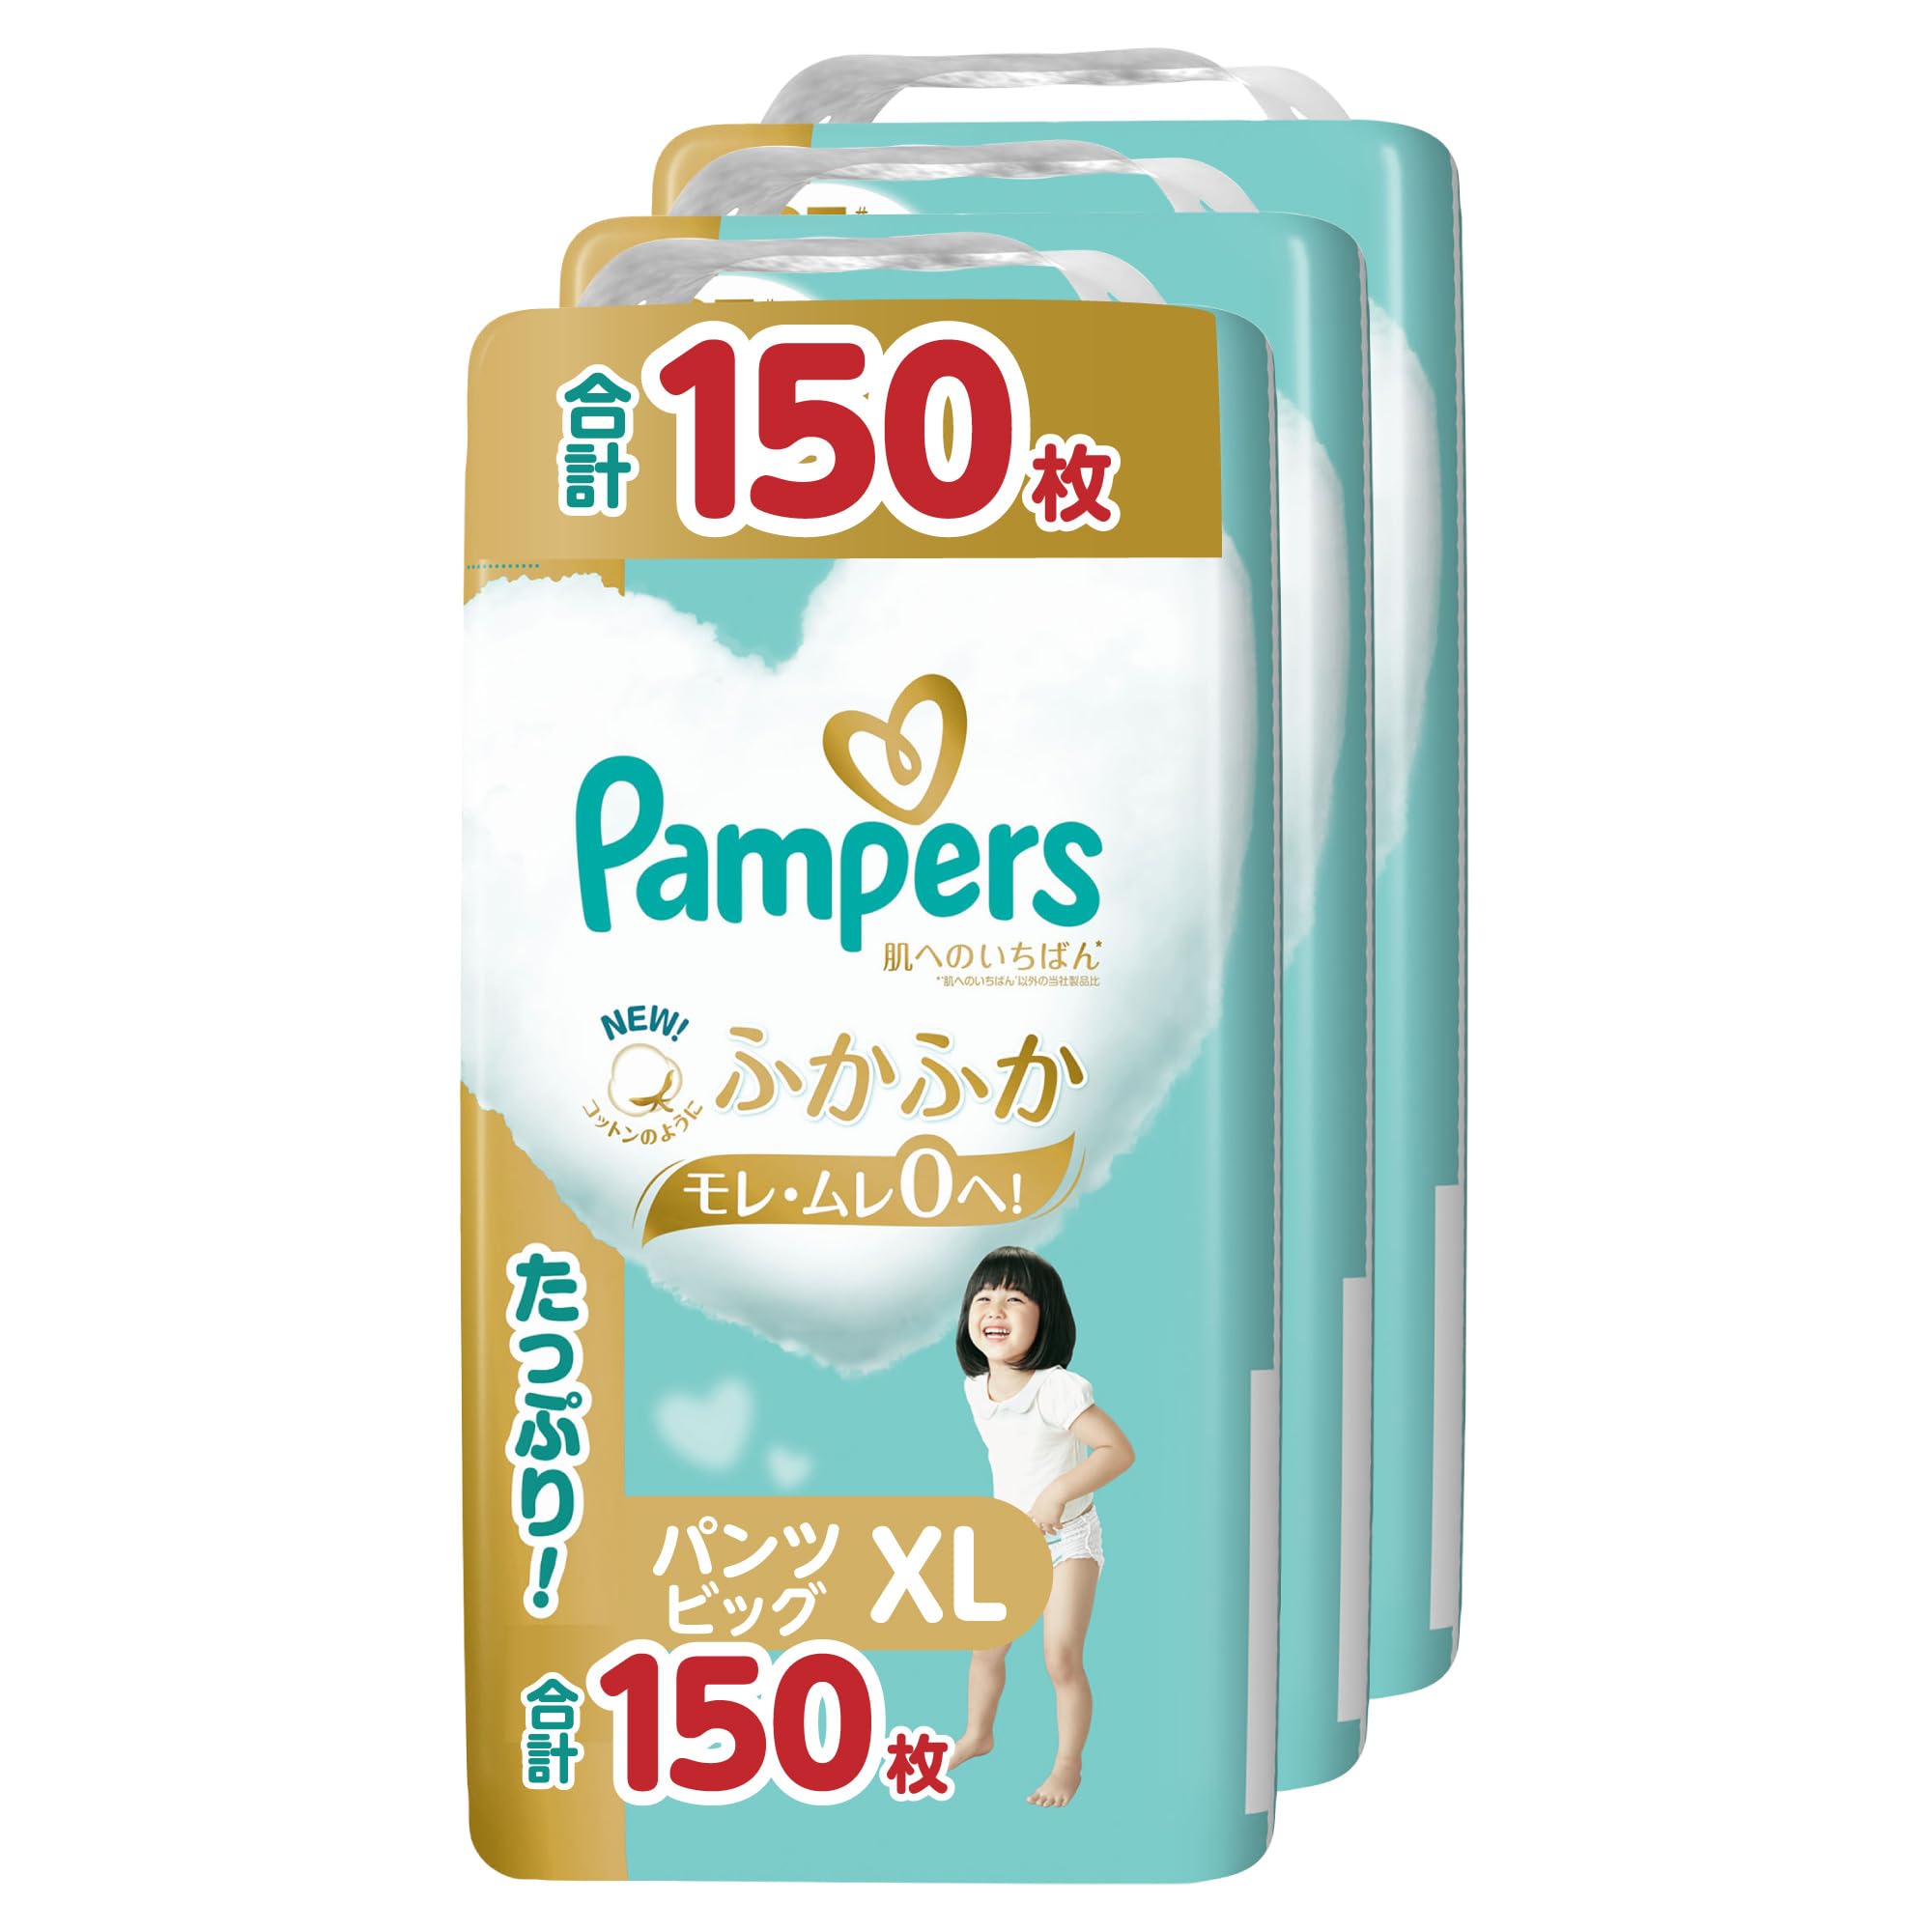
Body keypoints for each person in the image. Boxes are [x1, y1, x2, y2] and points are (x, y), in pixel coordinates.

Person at [949, 1244, 1135, 1807]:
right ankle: (978, 1735)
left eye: (1014, 1299)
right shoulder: (975, 1389)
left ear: (1045, 1316)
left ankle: (1066, 1765)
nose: (995, 1310)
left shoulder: (1055, 1388)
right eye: (983, 1299)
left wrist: (1057, 1493)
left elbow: (1117, 1451)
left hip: (1067, 1540)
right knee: (985, 1649)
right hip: (1010, 1541)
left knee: (1060, 1657)